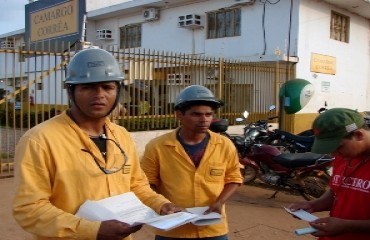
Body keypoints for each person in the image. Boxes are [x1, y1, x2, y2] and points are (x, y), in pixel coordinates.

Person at [12, 48, 182, 240]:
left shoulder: (121, 135)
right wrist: (91, 229)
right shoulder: (40, 140)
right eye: (88, 87)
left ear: (118, 90)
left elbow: (136, 185)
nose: (99, 95)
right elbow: (29, 209)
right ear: (71, 91)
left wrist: (160, 204)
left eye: (107, 87)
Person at [141, 85, 243, 240]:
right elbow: (146, 183)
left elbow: (234, 178)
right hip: (172, 229)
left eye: (209, 114)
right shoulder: (157, 147)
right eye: (196, 114)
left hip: (213, 228)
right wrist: (162, 205)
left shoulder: (224, 145)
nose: (204, 119)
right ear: (179, 115)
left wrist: (219, 202)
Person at [288, 108, 370, 240]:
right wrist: (313, 205)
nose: (333, 154)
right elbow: (336, 191)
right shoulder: (344, 156)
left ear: (359, 135)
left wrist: (347, 226)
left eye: (338, 147)